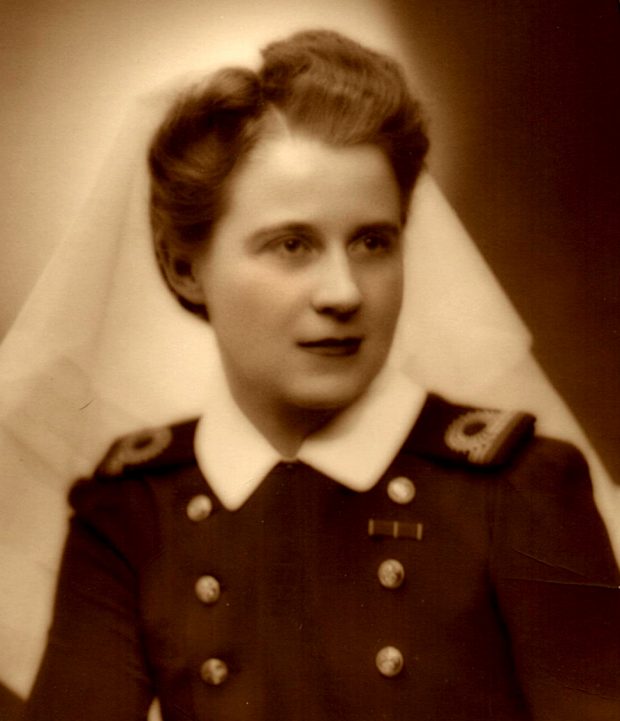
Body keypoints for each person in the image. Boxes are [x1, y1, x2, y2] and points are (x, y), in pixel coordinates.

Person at [22, 29, 619, 721]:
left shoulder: (520, 491)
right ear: (186, 267)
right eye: (292, 244)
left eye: (373, 242)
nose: (343, 291)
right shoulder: (133, 512)